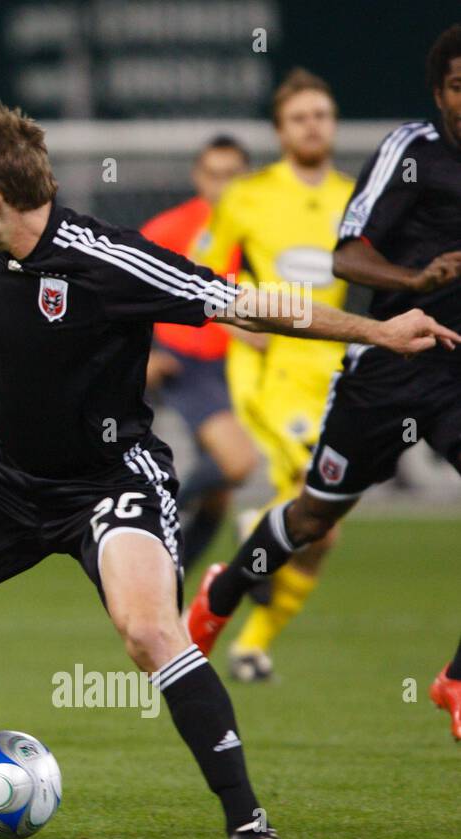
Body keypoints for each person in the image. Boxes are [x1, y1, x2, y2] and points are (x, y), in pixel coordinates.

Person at [0, 99, 456, 839]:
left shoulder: (106, 260)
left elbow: (247, 304)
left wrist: (378, 328)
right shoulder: (10, 252)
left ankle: (247, 823)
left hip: (110, 483)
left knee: (149, 632)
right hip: (8, 479)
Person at [186, 25, 461, 741]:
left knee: (313, 526)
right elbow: (346, 257)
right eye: (460, 87)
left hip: (456, 376)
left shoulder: (338, 180)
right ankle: (226, 590)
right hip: (382, 372)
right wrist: (415, 281)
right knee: (312, 520)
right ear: (438, 95)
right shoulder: (410, 154)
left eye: (321, 115)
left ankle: (454, 681)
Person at [193, 70, 355, 682]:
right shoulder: (248, 196)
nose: (314, 124)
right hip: (272, 369)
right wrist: (240, 326)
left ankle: (251, 644)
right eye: (301, 116)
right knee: (315, 496)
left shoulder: (354, 196)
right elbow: (198, 275)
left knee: (325, 527)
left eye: (323, 114)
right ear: (281, 130)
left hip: (333, 370)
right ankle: (252, 531)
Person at [142, 135, 257, 572]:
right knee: (237, 462)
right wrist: (148, 352)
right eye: (214, 174)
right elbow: (128, 294)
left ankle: (171, 577)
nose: (223, 184)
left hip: (252, 369)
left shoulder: (261, 230)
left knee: (220, 493)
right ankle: (158, 514)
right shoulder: (171, 229)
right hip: (191, 363)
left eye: (233, 174)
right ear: (198, 177)